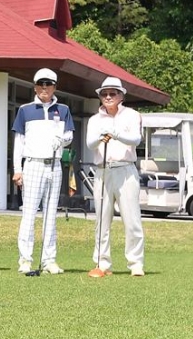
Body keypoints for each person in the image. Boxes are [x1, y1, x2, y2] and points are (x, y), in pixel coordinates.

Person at [11, 68, 74, 274]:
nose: (44, 88)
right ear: (35, 86)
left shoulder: (63, 109)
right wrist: (17, 169)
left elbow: (70, 136)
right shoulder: (25, 109)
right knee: (29, 213)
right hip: (33, 164)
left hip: (54, 164)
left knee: (50, 214)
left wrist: (62, 140)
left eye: (48, 84)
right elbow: (19, 141)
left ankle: (49, 259)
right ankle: (25, 259)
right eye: (41, 84)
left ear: (55, 87)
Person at [86, 77, 145, 277]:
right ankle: (102, 262)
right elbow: (90, 144)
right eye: (104, 94)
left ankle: (135, 263)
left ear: (121, 95)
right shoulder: (95, 119)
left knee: (132, 219)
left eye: (113, 93)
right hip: (103, 170)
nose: (108, 97)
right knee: (102, 219)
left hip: (125, 169)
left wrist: (116, 133)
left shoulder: (132, 115)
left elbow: (136, 139)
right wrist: (100, 136)